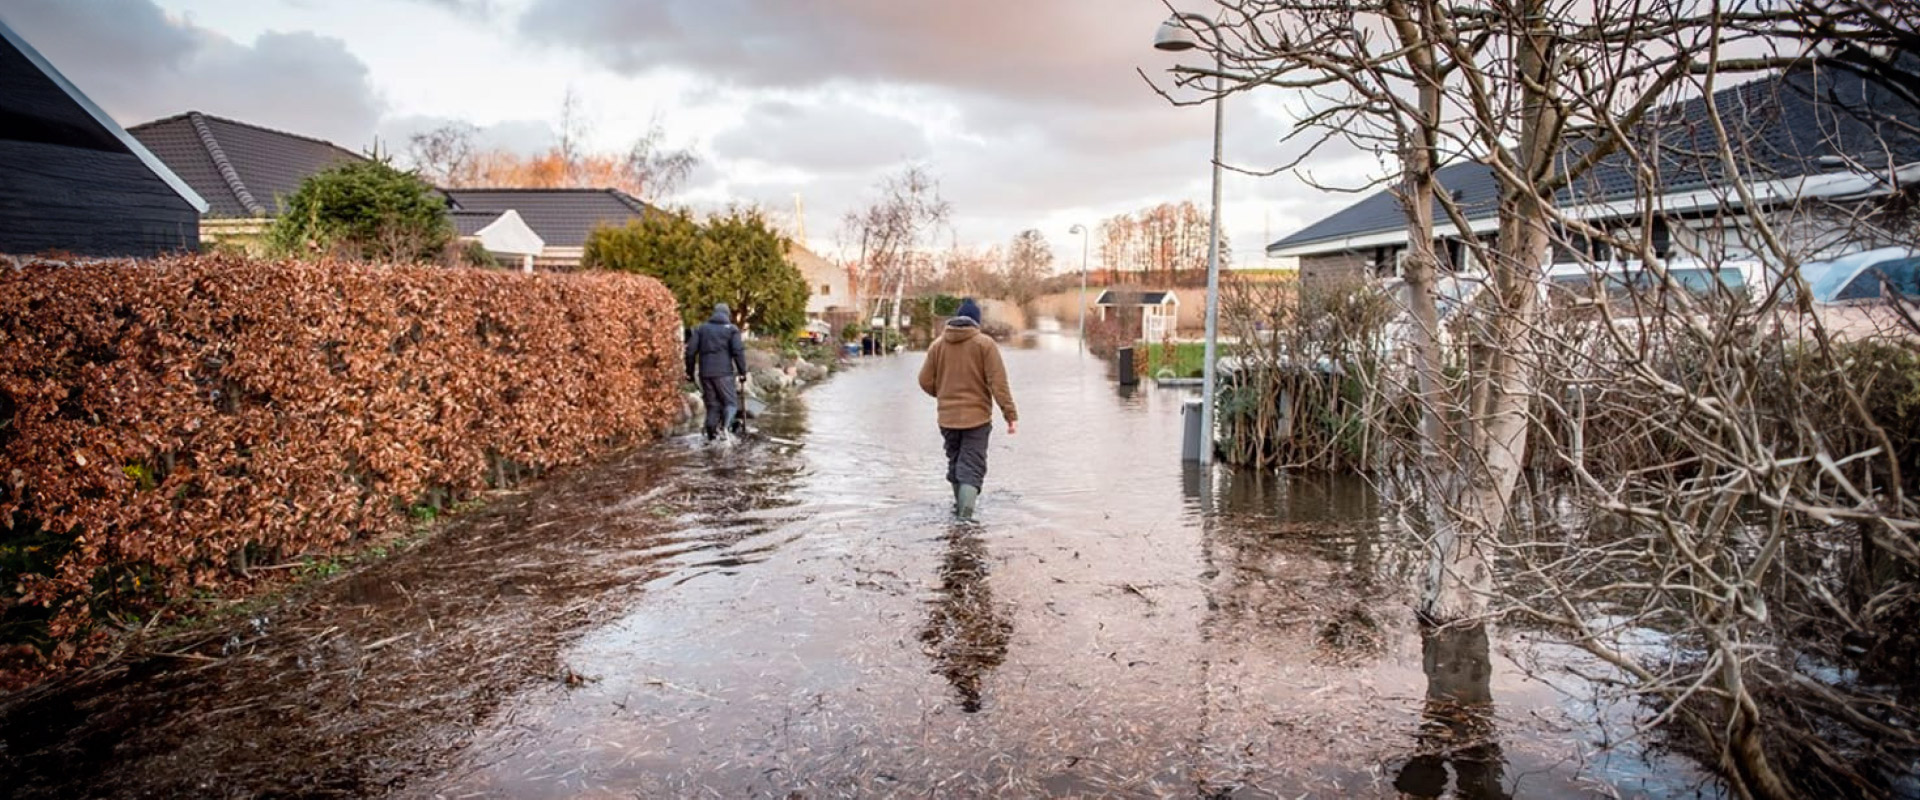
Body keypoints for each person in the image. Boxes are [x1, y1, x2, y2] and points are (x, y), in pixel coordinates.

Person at [918, 298, 1018, 520]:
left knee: (955, 464)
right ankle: (965, 523)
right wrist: (1010, 415)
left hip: (946, 419)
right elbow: (998, 383)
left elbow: (924, 380)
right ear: (976, 322)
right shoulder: (985, 344)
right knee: (972, 467)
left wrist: (943, 393)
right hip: (977, 419)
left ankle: (958, 515)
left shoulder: (937, 345)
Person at [685, 303, 747, 443]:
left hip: (705, 374)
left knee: (713, 406)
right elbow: (738, 352)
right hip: (724, 373)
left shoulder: (701, 329)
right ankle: (725, 428)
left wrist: (689, 372)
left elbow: (690, 352)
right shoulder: (731, 329)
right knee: (731, 403)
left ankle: (711, 437)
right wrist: (742, 372)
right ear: (728, 315)